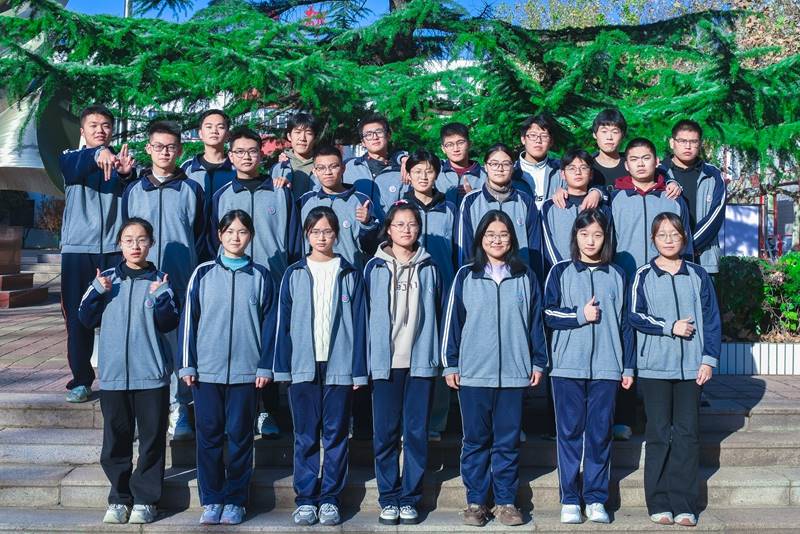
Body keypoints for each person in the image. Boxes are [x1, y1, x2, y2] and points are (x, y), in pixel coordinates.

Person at [442, 210, 547, 528]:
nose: (497, 240)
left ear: (512, 239)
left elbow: (536, 322)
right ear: (480, 239)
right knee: (475, 440)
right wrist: (450, 363)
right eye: (490, 234)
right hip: (474, 373)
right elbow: (453, 323)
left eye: (503, 234)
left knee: (507, 441)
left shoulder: (525, 276)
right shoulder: (466, 276)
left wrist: (538, 360)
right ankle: (476, 501)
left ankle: (505, 501)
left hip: (514, 373)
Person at [178, 209, 278, 526]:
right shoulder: (203, 273)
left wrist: (265, 366)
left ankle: (235, 499)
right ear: (220, 235)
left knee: (240, 436)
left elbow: (271, 325)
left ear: (251, 236)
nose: (236, 237)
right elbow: (188, 321)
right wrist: (187, 364)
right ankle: (211, 498)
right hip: (206, 372)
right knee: (208, 436)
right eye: (230, 231)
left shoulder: (261, 276)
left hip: (247, 374)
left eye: (242, 232)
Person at [78, 218, 178, 525]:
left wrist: (161, 297)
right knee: (115, 441)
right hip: (114, 377)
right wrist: (98, 292)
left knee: (151, 440)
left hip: (151, 377)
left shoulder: (160, 281)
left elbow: (169, 323)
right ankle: (119, 497)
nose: (136, 246)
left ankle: (146, 499)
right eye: (129, 240)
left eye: (142, 239)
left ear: (151, 244)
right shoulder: (106, 280)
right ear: (120, 244)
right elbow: (85, 319)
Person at [273, 207, 368, 527]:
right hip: (303, 366)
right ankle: (306, 499)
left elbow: (360, 323)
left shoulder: (350, 273)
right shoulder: (294, 273)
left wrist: (358, 369)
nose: (322, 237)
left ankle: (330, 498)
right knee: (305, 435)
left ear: (336, 235)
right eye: (315, 232)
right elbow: (283, 324)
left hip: (339, 365)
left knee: (336, 434)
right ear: (307, 235)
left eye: (327, 231)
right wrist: (282, 367)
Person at [629, 212, 721, 527]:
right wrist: (671, 327)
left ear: (684, 238)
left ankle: (684, 504)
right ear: (653, 239)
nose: (668, 240)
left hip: (692, 369)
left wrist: (708, 359)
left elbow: (712, 319)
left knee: (687, 434)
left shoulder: (698, 274)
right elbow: (635, 315)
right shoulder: (643, 275)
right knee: (658, 434)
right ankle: (658, 502)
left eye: (674, 234)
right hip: (655, 368)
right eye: (662, 234)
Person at [543, 209, 634, 525]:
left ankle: (596, 498)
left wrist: (628, 367)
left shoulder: (617, 274)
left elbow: (625, 325)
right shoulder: (560, 271)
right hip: (567, 368)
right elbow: (548, 314)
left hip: (607, 368)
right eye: (584, 234)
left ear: (606, 238)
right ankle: (570, 498)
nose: (591, 241)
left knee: (599, 434)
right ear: (575, 237)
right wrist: (579, 315)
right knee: (569, 434)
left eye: (597, 234)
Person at [210, 126, 300, 438]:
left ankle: (267, 411)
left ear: (261, 154)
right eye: (240, 152)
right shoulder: (222, 195)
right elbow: (211, 239)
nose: (247, 157)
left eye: (252, 151)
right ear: (230, 156)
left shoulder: (279, 190)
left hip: (272, 281)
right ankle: (233, 412)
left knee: (267, 345)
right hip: (234, 283)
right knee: (236, 343)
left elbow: (293, 239)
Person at [122, 120, 204, 441]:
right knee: (141, 345)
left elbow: (200, 236)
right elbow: (126, 236)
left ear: (180, 150)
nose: (165, 152)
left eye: (171, 147)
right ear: (148, 149)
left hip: (179, 281)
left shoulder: (191, 189)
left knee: (176, 348)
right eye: (158, 146)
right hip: (141, 281)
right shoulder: (133, 190)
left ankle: (179, 408)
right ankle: (142, 412)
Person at [364, 202, 442, 525]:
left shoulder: (430, 267)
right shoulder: (374, 267)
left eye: (412, 224)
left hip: (420, 361)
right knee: (385, 434)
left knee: (416, 432)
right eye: (399, 224)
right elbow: (364, 316)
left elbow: (437, 310)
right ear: (388, 229)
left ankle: (410, 497)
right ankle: (388, 496)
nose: (406, 230)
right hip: (385, 363)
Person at [60, 104, 136, 403]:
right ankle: (81, 380)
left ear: (112, 130)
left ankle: (118, 377)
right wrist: (97, 154)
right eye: (93, 125)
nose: (100, 130)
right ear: (83, 131)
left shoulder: (122, 161)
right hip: (78, 250)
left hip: (115, 251)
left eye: (105, 125)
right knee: (77, 317)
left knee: (118, 316)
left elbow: (133, 199)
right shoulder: (70, 158)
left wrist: (127, 176)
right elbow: (74, 166)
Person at [402, 149, 457, 441]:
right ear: (408, 175)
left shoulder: (450, 209)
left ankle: (435, 422)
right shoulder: (399, 208)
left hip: (443, 288)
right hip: (406, 290)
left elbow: (458, 250)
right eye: (417, 171)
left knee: (439, 355)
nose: (423, 176)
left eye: (429, 170)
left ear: (437, 173)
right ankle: (409, 421)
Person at [457, 144, 543, 282]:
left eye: (506, 164)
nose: (500, 168)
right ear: (486, 166)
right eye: (494, 164)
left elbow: (535, 247)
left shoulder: (525, 201)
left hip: (519, 279)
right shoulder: (470, 201)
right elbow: (464, 247)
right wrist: (467, 281)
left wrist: (535, 281)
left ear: (513, 167)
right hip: (481, 280)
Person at [611, 138, 693, 278]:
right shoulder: (614, 199)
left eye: (646, 158)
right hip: (625, 276)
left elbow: (686, 242)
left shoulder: (674, 198)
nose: (640, 164)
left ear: (656, 162)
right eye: (634, 159)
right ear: (626, 165)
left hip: (666, 277)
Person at [659, 119, 727, 274]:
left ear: (700, 143)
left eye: (693, 142)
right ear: (672, 143)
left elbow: (715, 217)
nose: (688, 146)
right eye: (682, 141)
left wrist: (687, 247)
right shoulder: (659, 173)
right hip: (664, 259)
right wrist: (673, 249)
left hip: (704, 259)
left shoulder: (713, 175)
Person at [298, 145, 380, 269]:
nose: (328, 172)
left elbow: (372, 247)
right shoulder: (305, 201)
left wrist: (367, 224)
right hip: (312, 272)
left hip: (349, 273)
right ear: (314, 171)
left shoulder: (361, 201)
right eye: (321, 168)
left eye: (333, 166)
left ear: (343, 168)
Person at [180, 109, 236, 260]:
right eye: (209, 126)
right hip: (193, 245)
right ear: (200, 133)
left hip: (229, 245)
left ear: (228, 134)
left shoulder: (237, 169)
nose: (214, 131)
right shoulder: (187, 169)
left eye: (220, 127)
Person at [542, 149, 612, 269]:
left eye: (583, 168)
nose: (578, 172)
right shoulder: (550, 206)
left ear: (591, 174)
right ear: (562, 174)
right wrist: (562, 269)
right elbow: (547, 244)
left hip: (597, 271)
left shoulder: (602, 208)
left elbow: (608, 243)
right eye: (572, 168)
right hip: (561, 271)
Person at [343, 114, 407, 219]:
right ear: (363, 142)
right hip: (356, 228)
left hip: (389, 228)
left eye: (379, 132)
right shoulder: (348, 167)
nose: (374, 137)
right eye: (368, 134)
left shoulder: (401, 171)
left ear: (388, 136)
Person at [511, 113, 563, 207]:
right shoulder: (511, 171)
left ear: (551, 142)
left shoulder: (562, 170)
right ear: (523, 139)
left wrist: (593, 192)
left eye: (544, 136)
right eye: (533, 135)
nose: (538, 140)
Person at [271, 112, 321, 199]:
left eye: (308, 133)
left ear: (315, 138)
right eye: (298, 132)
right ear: (289, 136)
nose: (302, 138)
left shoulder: (323, 165)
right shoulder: (280, 166)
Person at [437, 122, 486, 205]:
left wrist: (472, 198)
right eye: (449, 145)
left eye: (460, 143)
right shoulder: (435, 170)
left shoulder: (485, 175)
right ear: (443, 149)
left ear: (469, 144)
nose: (456, 149)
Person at [589, 109, 629, 192]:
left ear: (623, 135)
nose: (609, 137)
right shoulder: (586, 166)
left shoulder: (632, 164)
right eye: (604, 131)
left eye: (615, 132)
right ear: (594, 134)